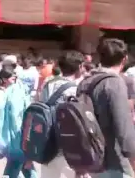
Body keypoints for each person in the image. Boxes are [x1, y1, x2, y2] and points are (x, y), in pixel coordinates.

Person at [81, 38, 135, 178]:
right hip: (114, 161)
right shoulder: (114, 83)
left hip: (91, 158)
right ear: (124, 59)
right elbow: (124, 128)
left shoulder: (86, 82)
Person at [38, 50, 84, 178]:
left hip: (47, 143)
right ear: (79, 67)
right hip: (67, 146)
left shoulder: (48, 84)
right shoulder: (76, 89)